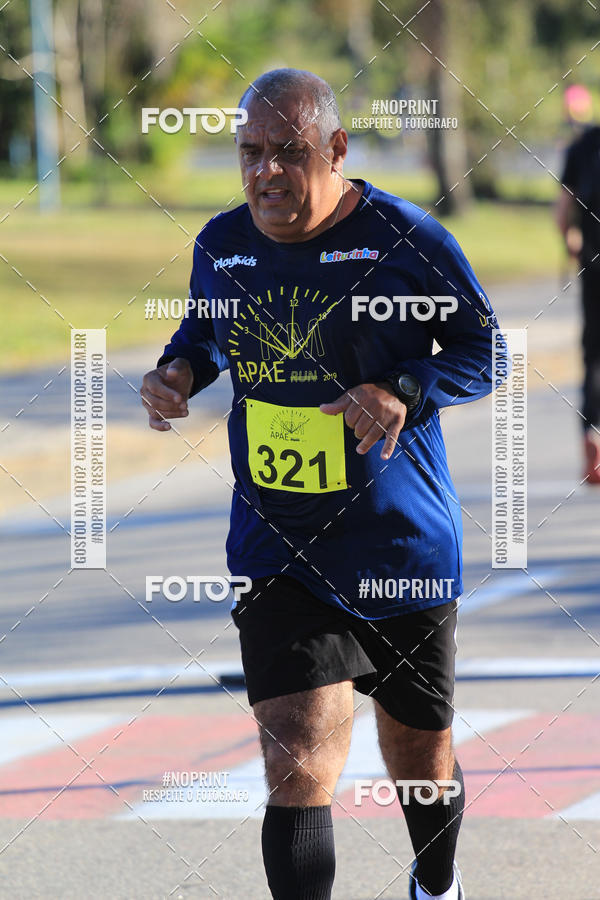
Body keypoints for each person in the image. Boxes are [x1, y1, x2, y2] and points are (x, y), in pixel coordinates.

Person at [142, 68, 504, 900]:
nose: (267, 171)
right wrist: (178, 373)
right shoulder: (223, 245)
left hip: (399, 542)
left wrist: (402, 391)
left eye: (289, 152)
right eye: (250, 153)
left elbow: (485, 354)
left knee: (418, 750)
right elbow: (206, 332)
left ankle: (437, 883)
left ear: (336, 149)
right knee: (296, 752)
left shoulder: (404, 240)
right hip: (280, 544)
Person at [555, 85, 600, 484]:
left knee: (594, 355)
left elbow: (563, 210)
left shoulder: (584, 145)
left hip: (594, 265)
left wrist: (571, 242)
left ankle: (593, 436)